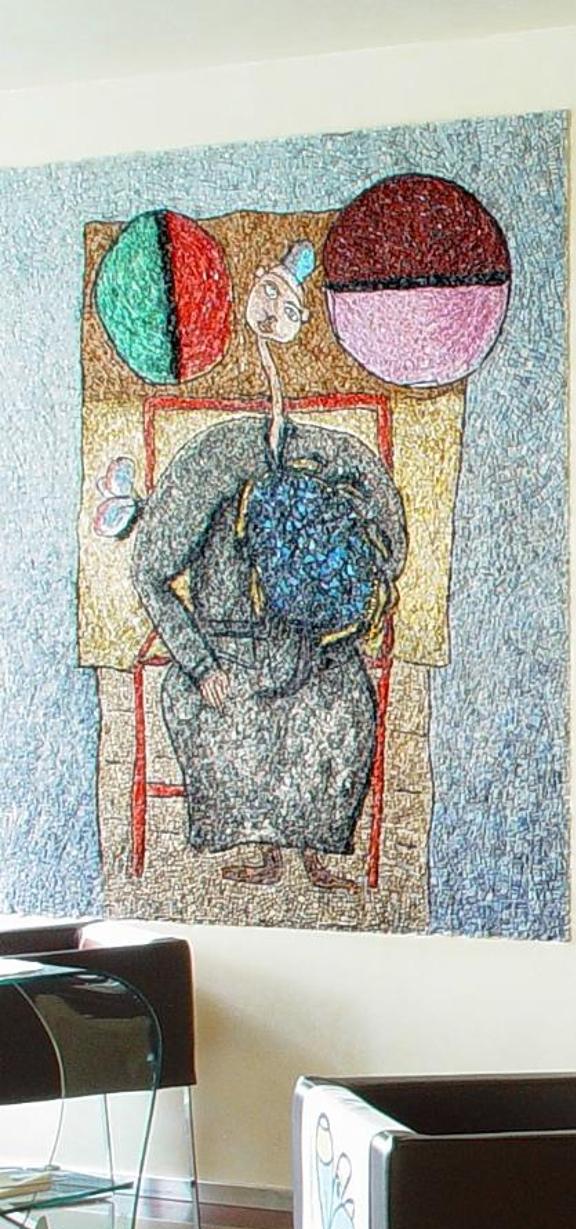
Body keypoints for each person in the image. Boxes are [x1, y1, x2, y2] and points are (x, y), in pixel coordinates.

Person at [130, 241, 406, 891]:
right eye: (271, 299)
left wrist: (341, 587)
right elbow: (149, 570)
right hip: (227, 652)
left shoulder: (338, 457)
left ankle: (317, 851)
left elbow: (388, 550)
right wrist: (200, 664)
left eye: (291, 308)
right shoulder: (214, 461)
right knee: (220, 715)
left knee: (341, 711)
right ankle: (259, 846)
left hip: (316, 650)